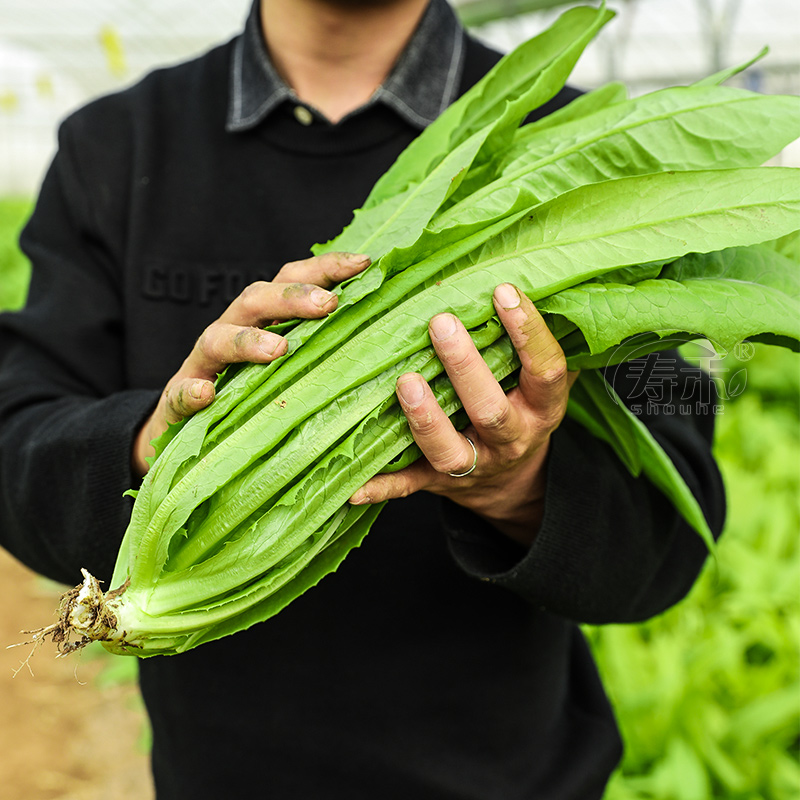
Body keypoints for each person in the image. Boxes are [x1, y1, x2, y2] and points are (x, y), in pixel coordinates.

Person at [0, 0, 725, 797]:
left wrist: (519, 487)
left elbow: (666, 541)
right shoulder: (116, 146)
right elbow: (17, 439)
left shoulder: (591, 159)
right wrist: (158, 440)